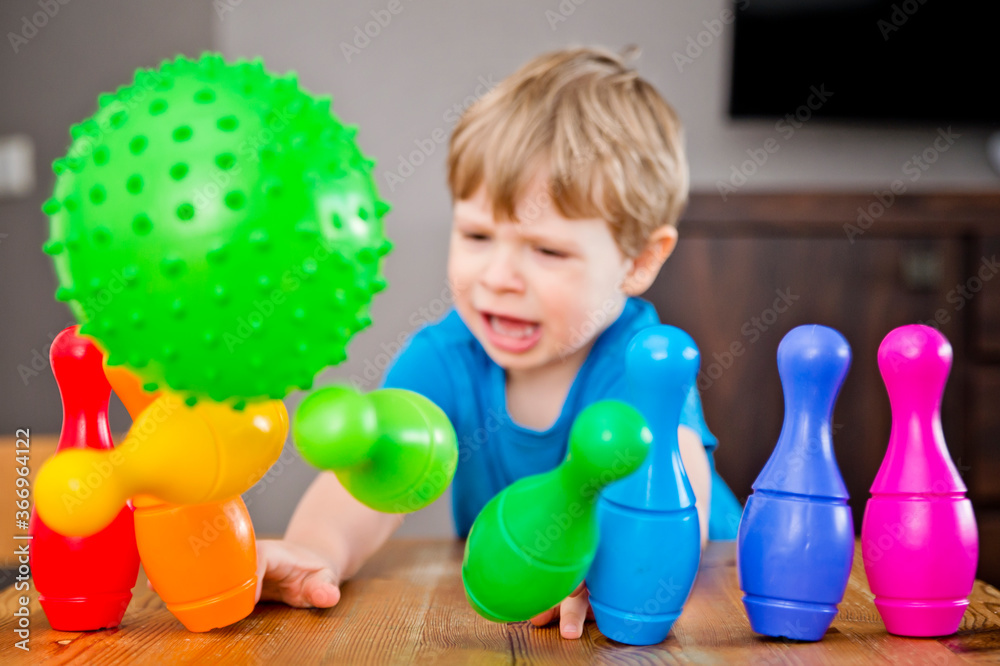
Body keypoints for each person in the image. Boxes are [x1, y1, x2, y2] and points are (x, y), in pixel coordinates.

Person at [255, 45, 742, 640]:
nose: (498, 277)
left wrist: (611, 575)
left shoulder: (646, 364)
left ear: (638, 261)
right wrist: (314, 550)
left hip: (714, 592)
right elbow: (368, 480)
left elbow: (674, 493)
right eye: (478, 235)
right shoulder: (444, 359)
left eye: (547, 250)